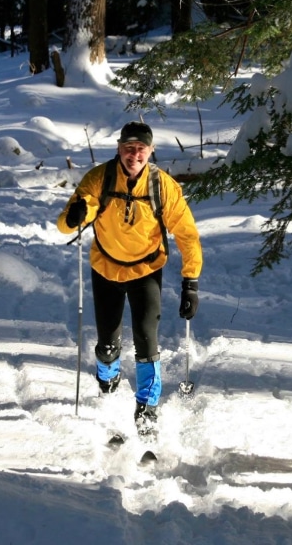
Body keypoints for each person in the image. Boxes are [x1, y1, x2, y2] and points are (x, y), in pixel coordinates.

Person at [57, 121, 202, 438]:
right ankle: (107, 381)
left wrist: (190, 282)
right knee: (107, 345)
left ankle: (147, 409)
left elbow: (188, 236)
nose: (134, 154)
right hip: (106, 268)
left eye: (141, 149)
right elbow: (68, 223)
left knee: (146, 339)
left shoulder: (163, 187)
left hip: (146, 270)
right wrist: (77, 214)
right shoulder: (99, 177)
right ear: (119, 148)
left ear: (150, 151)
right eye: (128, 148)